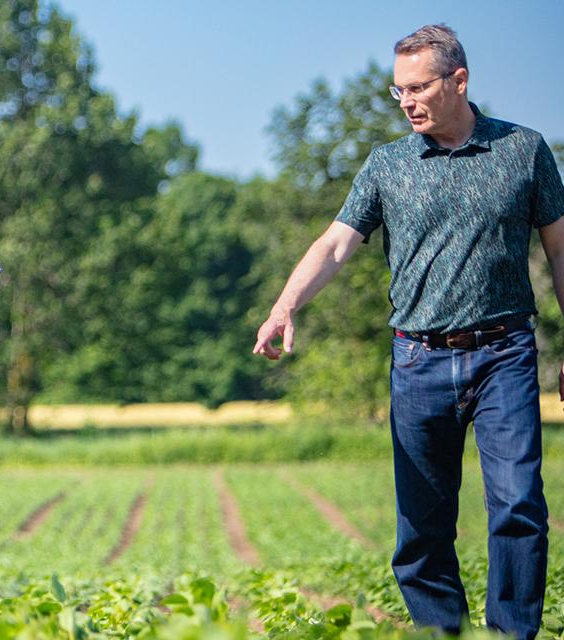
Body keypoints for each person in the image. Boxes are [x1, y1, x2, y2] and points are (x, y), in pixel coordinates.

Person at [253, 24, 562, 639]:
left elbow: (559, 250)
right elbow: (337, 243)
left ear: (459, 80)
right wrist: (286, 305)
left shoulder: (523, 151)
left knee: (519, 506)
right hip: (418, 359)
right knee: (421, 525)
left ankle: (511, 635)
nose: (407, 102)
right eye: (399, 91)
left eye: (418, 88)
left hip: (504, 352)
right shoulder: (388, 164)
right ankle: (441, 633)